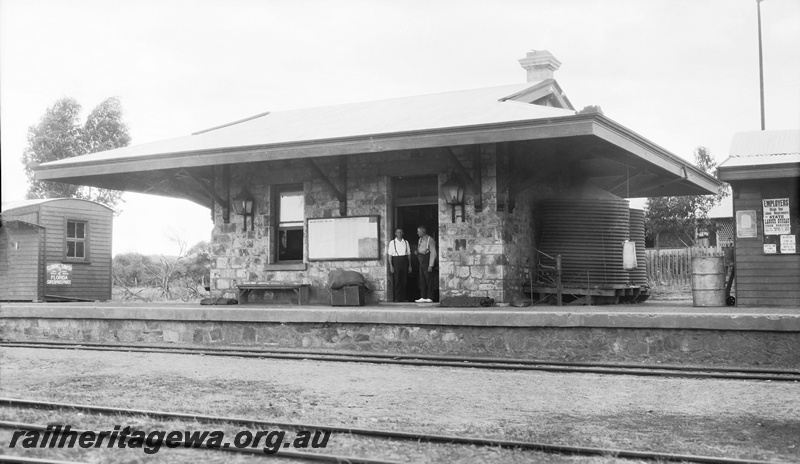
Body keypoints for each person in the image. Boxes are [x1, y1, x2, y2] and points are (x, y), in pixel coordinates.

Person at [387, 228, 412, 302]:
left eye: (400, 232)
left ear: (403, 233)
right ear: (395, 233)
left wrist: (410, 265)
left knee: (404, 280)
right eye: (398, 232)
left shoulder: (406, 242)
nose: (399, 233)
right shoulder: (392, 242)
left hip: (404, 261)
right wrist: (391, 265)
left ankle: (403, 297)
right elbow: (390, 255)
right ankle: (397, 298)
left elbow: (409, 254)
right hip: (396, 261)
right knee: (397, 280)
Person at [415, 225, 437, 303]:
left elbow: (433, 253)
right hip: (421, 261)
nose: (417, 233)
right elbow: (420, 249)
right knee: (422, 280)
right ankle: (423, 296)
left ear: (423, 231)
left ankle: (430, 297)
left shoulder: (430, 240)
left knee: (429, 280)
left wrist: (431, 265)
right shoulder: (420, 240)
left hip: (427, 261)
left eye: (418, 231)